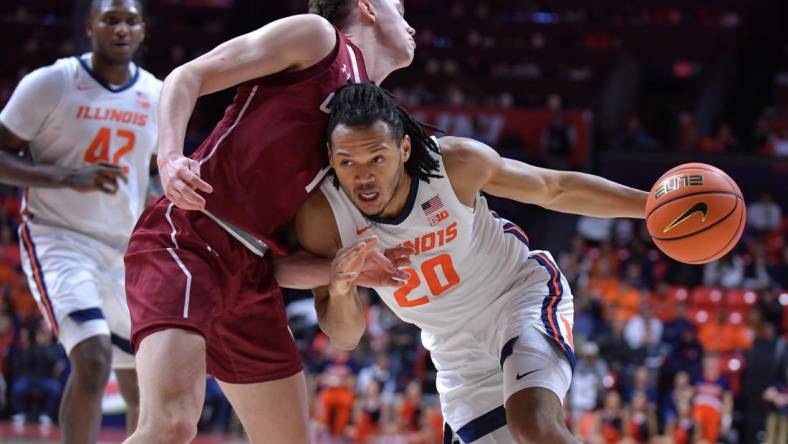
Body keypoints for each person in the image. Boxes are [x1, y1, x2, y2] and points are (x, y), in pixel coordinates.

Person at [123, 1, 416, 443]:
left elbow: (283, 267)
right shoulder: (319, 39)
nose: (411, 23)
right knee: (171, 425)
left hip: (254, 272)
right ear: (367, 7)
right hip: (190, 237)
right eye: (400, 6)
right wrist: (168, 156)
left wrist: (344, 272)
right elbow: (188, 75)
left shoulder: (367, 129)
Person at [294, 82, 648, 443]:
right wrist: (339, 287)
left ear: (403, 148)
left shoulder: (452, 164)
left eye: (376, 158)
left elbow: (553, 188)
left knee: (534, 425)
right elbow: (347, 336)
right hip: (453, 349)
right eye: (346, 161)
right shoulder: (323, 217)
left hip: (516, 297)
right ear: (330, 155)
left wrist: (650, 206)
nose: (362, 175)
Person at [0, 0, 159, 441]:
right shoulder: (52, 82)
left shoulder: (157, 93)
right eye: (111, 19)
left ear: (143, 30)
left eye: (131, 20)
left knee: (145, 384)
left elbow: (151, 171)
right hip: (60, 238)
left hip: (125, 249)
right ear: (91, 27)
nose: (121, 29)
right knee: (92, 359)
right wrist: (68, 177)